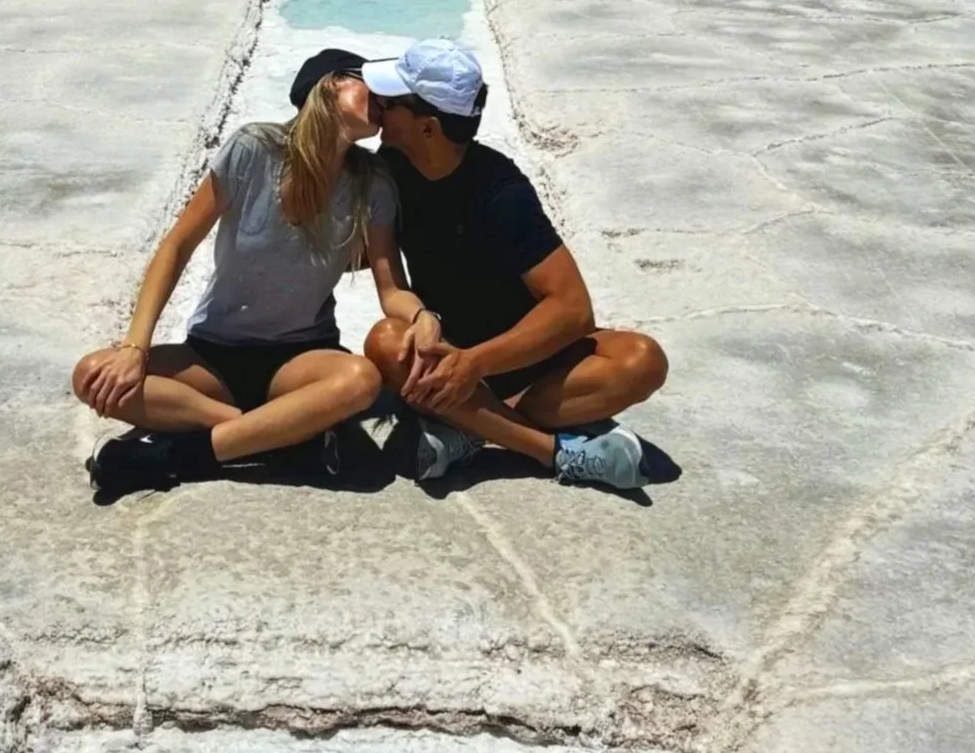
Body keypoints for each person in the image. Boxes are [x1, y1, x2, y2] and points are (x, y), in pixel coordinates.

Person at [73, 48, 426, 502]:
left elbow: (391, 287)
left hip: (300, 360)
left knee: (360, 380)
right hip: (213, 357)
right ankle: (280, 431)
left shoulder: (372, 184)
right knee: (93, 375)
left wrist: (420, 318)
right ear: (330, 83)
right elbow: (176, 245)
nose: (383, 98)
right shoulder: (252, 150)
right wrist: (134, 349)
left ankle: (183, 455)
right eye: (368, 84)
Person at [362, 40, 667, 491]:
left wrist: (476, 364)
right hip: (443, 352)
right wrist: (430, 329)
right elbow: (390, 287)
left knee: (643, 360)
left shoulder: (501, 190)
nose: (378, 108)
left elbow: (573, 309)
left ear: (428, 128)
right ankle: (555, 452)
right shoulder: (386, 173)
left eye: (390, 103)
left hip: (528, 367)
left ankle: (471, 425)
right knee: (385, 340)